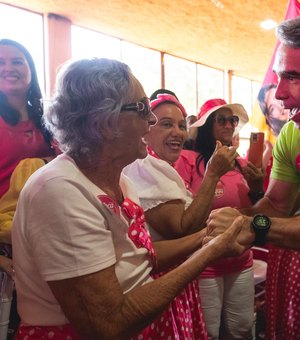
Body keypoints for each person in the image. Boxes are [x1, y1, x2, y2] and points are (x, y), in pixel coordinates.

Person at [11, 57, 247, 339]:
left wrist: (208, 237)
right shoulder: (59, 191)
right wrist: (210, 252)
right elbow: (108, 325)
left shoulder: (119, 179)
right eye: (142, 109)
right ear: (105, 122)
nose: (150, 120)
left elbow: (141, 258)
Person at [206, 17, 300, 340]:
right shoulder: (291, 135)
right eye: (278, 77)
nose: (280, 95)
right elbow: (275, 203)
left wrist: (251, 226)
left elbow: (266, 220)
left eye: (293, 77)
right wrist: (227, 219)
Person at [124, 91, 240, 338]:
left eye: (180, 125)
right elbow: (181, 227)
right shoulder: (146, 165)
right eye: (165, 124)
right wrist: (212, 175)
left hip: (177, 274)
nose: (177, 132)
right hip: (160, 279)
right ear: (145, 129)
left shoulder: (160, 165)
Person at [175, 98, 264, 339]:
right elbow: (182, 217)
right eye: (221, 120)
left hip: (241, 258)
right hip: (204, 262)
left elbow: (256, 212)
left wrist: (257, 188)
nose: (228, 125)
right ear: (207, 126)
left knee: (242, 328)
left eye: (232, 120)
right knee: (208, 332)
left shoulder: (242, 164)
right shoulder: (187, 160)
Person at [0, 38, 54, 198]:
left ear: (31, 71)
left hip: (47, 209)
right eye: (1, 63)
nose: (8, 68)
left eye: (17, 62)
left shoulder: (50, 118)